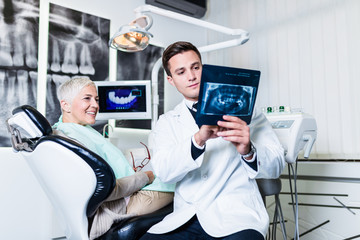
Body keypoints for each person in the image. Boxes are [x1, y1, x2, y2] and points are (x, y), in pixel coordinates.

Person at [140, 41, 286, 240]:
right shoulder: (167, 122)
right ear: (171, 80)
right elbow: (163, 172)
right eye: (181, 72)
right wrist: (197, 140)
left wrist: (248, 150)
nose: (191, 76)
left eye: (196, 68)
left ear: (204, 68)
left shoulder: (245, 110)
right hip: (187, 217)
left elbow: (277, 165)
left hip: (236, 217)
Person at [52, 77, 174, 240]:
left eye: (96, 99)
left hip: (119, 198)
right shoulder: (74, 140)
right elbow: (105, 188)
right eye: (87, 98)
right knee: (182, 180)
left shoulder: (70, 130)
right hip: (118, 206)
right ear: (65, 105)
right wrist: (145, 177)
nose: (95, 105)